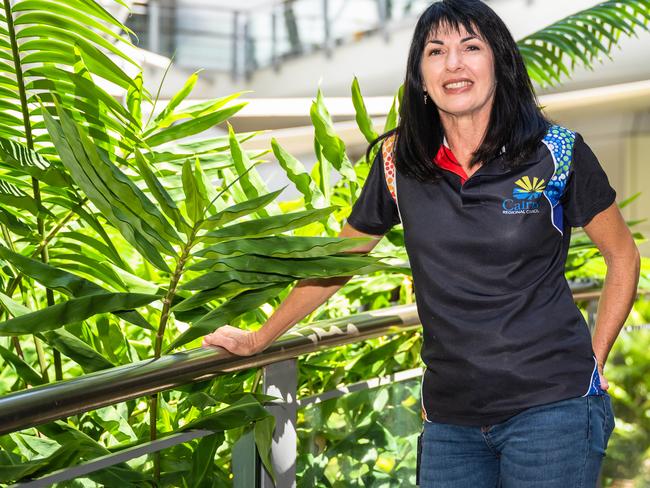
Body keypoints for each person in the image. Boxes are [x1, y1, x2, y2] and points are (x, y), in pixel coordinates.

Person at [202, 0, 641, 486]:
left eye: (470, 47)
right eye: (436, 51)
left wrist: (594, 360)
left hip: (553, 408)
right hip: (451, 421)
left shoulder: (555, 152)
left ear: (500, 62)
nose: (453, 63)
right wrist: (261, 337)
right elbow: (339, 261)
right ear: (421, 76)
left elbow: (622, 255)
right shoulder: (398, 161)